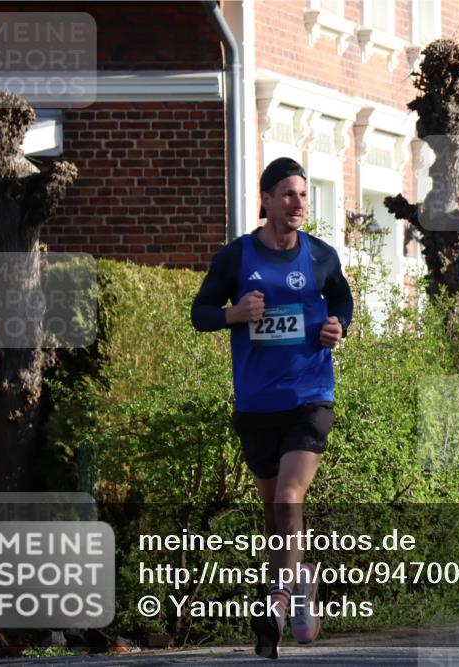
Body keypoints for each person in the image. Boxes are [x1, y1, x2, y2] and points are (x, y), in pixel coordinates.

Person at [191, 157, 353, 659]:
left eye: (303, 194)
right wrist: (232, 314)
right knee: (275, 512)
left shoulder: (322, 257)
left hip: (309, 397)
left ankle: (276, 602)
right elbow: (200, 313)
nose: (298, 203)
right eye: (287, 194)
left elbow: (343, 303)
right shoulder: (236, 258)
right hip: (257, 402)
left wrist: (338, 328)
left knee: (288, 495)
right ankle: (301, 581)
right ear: (264, 200)